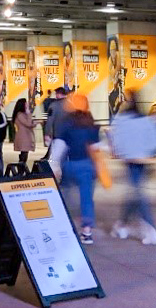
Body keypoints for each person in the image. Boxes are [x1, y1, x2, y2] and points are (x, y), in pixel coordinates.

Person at [109, 89, 156, 244]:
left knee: (137, 193)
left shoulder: (123, 118)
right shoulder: (145, 118)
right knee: (134, 190)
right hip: (144, 159)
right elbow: (155, 137)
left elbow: (116, 136)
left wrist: (118, 151)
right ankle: (121, 225)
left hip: (131, 159)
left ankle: (150, 229)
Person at [56, 92, 100, 244]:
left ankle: (63, 227)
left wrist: (53, 164)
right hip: (87, 165)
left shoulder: (66, 123)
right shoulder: (90, 122)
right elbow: (95, 147)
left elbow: (60, 146)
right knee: (87, 198)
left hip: (70, 163)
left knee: (65, 194)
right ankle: (87, 232)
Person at [41, 87, 67, 159]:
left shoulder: (53, 106)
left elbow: (50, 120)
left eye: (56, 94)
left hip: (58, 134)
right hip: (69, 134)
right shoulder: (72, 105)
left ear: (59, 94)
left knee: (57, 155)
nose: (55, 96)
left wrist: (47, 133)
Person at [13, 97, 35, 168]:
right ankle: (21, 171)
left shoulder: (23, 114)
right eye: (26, 103)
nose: (27, 104)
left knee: (25, 154)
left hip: (26, 136)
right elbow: (28, 124)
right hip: (23, 137)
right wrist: (29, 114)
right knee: (24, 154)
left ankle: (21, 170)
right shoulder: (20, 114)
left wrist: (34, 123)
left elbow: (29, 124)